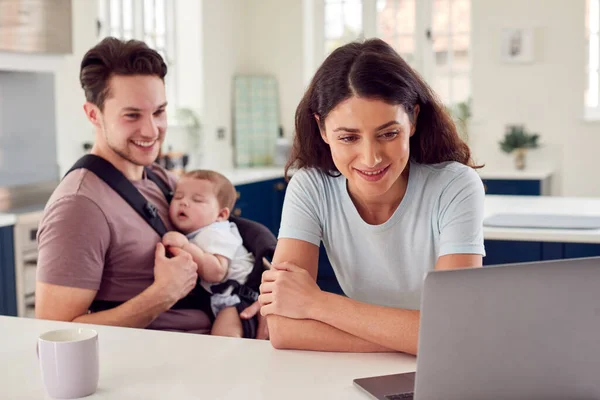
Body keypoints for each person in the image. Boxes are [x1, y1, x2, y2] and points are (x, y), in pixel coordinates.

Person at [258, 38, 485, 354]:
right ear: (322, 130)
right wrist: (421, 338)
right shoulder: (311, 187)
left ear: (414, 119)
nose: (370, 158)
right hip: (367, 371)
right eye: (349, 137)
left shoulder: (456, 185)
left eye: (388, 134)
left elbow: (452, 328)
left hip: (445, 370)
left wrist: (316, 303)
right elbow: (282, 330)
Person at [35, 37, 266, 337]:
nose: (151, 130)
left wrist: (265, 290)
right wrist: (162, 295)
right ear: (93, 114)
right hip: (162, 373)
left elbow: (224, 225)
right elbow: (54, 334)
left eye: (158, 112)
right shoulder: (79, 207)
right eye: (132, 115)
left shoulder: (157, 176)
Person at [162, 170, 255, 337]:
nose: (184, 203)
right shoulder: (201, 231)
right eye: (178, 197)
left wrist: (184, 245)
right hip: (222, 298)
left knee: (223, 342)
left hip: (239, 300)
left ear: (221, 215)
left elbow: (216, 272)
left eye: (197, 200)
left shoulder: (216, 233)